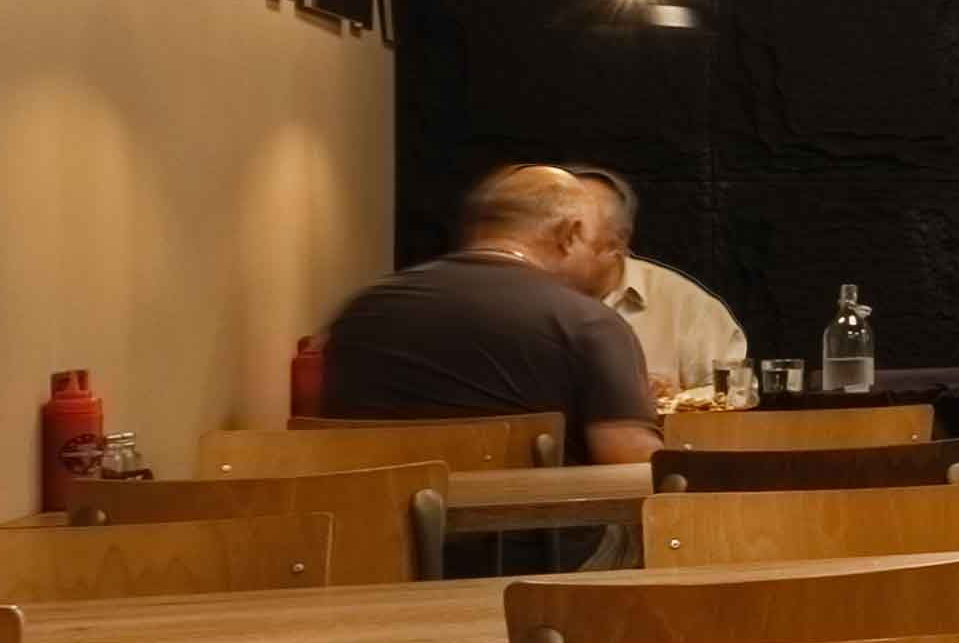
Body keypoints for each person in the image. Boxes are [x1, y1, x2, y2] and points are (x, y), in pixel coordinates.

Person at [314, 164, 661, 462]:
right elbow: (631, 463)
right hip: (531, 522)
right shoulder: (588, 323)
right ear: (568, 235)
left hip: (371, 521)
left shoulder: (361, 311)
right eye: (594, 244)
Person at [566, 166, 748, 397]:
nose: (553, 246)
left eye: (570, 235)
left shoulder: (687, 306)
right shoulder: (526, 298)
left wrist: (675, 399)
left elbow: (733, 393)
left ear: (617, 243)